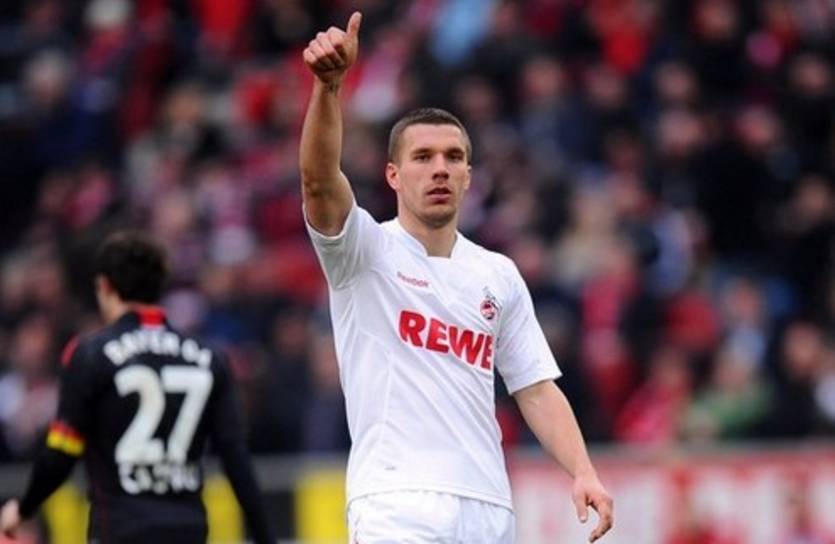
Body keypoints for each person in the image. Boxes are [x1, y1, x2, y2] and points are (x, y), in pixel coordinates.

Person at [299, 11, 614, 544]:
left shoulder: (497, 274)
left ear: (469, 176)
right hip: (396, 502)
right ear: (393, 175)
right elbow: (318, 181)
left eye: (453, 157)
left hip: (487, 507)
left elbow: (536, 388)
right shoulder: (363, 250)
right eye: (422, 157)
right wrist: (328, 89)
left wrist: (583, 470)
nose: (440, 168)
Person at [0, 232, 274, 544]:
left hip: (120, 528)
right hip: (187, 530)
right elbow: (236, 459)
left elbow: (61, 453)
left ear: (105, 287)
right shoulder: (210, 357)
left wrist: (24, 508)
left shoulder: (90, 354)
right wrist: (266, 538)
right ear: (159, 287)